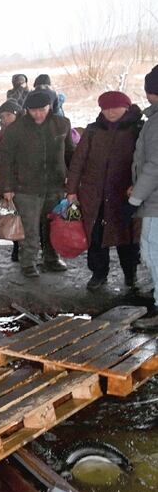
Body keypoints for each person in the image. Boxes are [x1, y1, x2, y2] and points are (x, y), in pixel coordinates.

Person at [66, 91, 142, 291]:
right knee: (96, 236)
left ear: (126, 106)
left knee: (127, 237)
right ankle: (99, 273)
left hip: (125, 194)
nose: (110, 112)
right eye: (106, 108)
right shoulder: (92, 131)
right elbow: (78, 162)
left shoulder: (137, 129)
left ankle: (130, 273)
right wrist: (72, 190)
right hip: (94, 195)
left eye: (115, 107)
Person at [0, 90, 73, 278]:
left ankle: (51, 258)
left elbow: (70, 153)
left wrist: (72, 180)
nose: (38, 114)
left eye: (42, 109)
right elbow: (6, 160)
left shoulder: (61, 124)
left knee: (52, 225)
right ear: (27, 110)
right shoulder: (16, 129)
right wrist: (7, 187)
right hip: (26, 187)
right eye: (33, 110)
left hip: (55, 185)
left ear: (50, 107)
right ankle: (28, 262)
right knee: (30, 228)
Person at [129, 65, 158, 330]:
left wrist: (135, 199)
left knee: (152, 252)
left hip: (155, 203)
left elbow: (154, 166)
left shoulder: (157, 122)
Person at [0, 99, 25, 262]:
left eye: (8, 115)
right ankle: (17, 248)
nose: (5, 119)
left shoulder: (30, 130)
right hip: (14, 182)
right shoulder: (1, 135)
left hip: (31, 181)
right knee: (17, 216)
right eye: (2, 116)